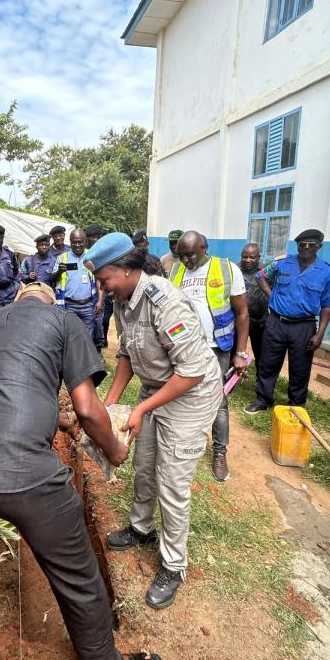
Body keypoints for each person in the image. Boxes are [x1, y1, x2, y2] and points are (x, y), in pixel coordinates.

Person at [0, 281, 164, 660]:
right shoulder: (63, 320)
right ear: (50, 300)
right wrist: (114, 449)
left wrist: (58, 422)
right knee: (78, 574)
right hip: (23, 474)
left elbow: (5, 387)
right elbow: (88, 409)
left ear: (17, 298)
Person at [90, 233, 222, 610]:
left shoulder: (166, 303)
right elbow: (128, 355)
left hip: (191, 395)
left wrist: (143, 409)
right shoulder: (123, 301)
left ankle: (173, 565)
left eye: (105, 279)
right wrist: (111, 404)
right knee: (144, 462)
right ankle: (141, 527)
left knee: (172, 479)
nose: (103, 287)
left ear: (128, 270)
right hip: (157, 388)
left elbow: (193, 372)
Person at [171, 231, 250, 482]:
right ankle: (187, 444)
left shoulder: (226, 269)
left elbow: (242, 313)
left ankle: (219, 452)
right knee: (182, 395)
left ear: (205, 247)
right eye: (181, 255)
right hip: (185, 347)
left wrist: (240, 353)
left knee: (218, 401)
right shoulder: (176, 271)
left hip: (218, 348)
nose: (186, 261)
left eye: (190, 255)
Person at [246, 229, 330, 413]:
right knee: (268, 362)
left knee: (300, 366)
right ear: (297, 246)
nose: (306, 248)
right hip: (276, 322)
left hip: (304, 326)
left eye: (311, 245)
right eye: (302, 244)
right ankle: (263, 400)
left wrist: (320, 334)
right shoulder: (282, 264)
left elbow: (328, 305)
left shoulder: (326, 272)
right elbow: (261, 276)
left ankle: (296, 403)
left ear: (319, 246)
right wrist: (272, 297)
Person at [56, 228, 101, 344]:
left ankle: (85, 361)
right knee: (70, 337)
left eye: (80, 242)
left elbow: (99, 279)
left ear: (85, 241)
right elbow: (53, 279)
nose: (77, 245)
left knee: (88, 338)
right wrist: (58, 272)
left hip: (88, 305)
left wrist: (100, 300)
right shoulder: (62, 258)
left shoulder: (92, 256)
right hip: (69, 305)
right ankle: (72, 361)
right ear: (70, 242)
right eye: (74, 242)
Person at [240, 243, 268, 368]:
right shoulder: (234, 270)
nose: (248, 260)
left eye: (252, 257)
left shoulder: (267, 271)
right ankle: (229, 382)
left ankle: (261, 382)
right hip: (240, 319)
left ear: (258, 257)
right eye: (244, 257)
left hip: (261, 320)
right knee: (236, 351)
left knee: (262, 353)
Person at [86, 225, 109, 347]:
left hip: (101, 291)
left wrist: (101, 300)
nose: (95, 240)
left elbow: (100, 279)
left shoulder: (104, 253)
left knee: (100, 321)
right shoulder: (85, 254)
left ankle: (99, 347)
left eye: (97, 237)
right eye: (92, 237)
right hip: (87, 295)